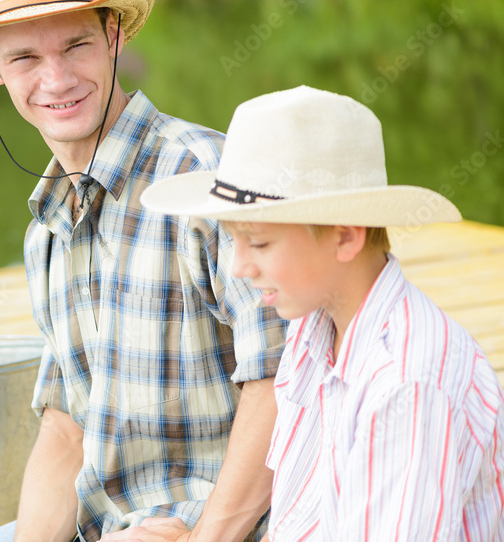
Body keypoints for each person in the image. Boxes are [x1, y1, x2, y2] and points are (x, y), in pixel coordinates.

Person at [0, 0, 287, 542]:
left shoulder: (206, 178)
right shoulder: (47, 231)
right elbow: (66, 430)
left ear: (113, 35)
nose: (57, 80)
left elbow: (284, 381)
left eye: (75, 46)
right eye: (24, 58)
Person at [140, 85, 504, 540]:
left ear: (346, 236)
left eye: (260, 243)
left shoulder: (405, 383)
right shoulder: (313, 324)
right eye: (234, 239)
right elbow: (297, 517)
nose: (238, 266)